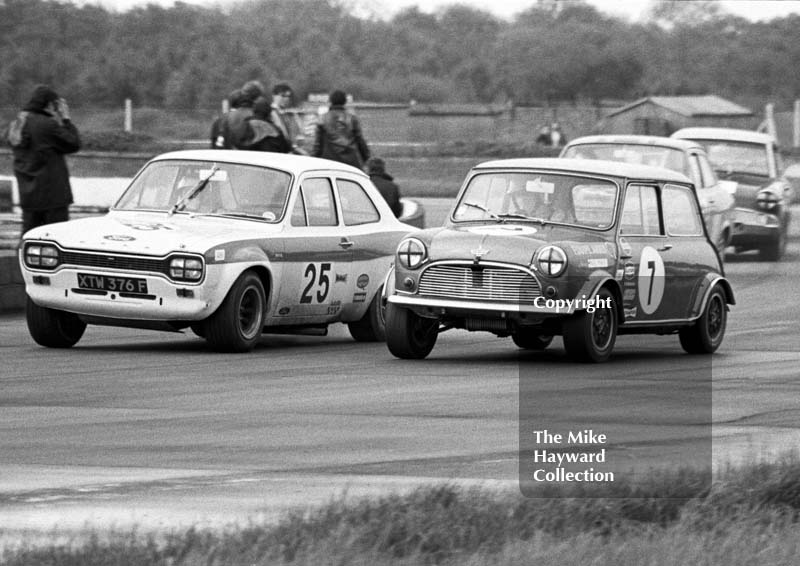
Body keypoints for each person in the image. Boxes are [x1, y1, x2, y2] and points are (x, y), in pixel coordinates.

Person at [6, 84, 81, 234]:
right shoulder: (46, 125)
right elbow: (73, 143)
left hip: (28, 197)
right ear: (49, 104)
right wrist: (66, 119)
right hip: (52, 198)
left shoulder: (16, 125)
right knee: (55, 240)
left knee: (29, 239)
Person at [312, 89, 370, 169]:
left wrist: (313, 160)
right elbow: (360, 142)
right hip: (350, 163)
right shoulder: (352, 119)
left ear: (330, 101)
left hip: (328, 162)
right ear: (345, 101)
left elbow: (318, 145)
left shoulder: (322, 119)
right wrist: (366, 158)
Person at [269, 83, 306, 154]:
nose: (286, 99)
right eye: (283, 96)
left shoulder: (286, 114)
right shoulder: (270, 112)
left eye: (288, 96)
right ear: (274, 96)